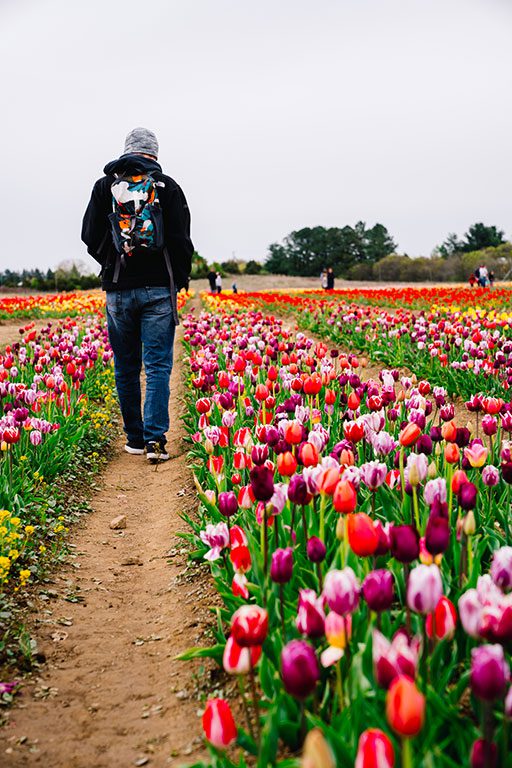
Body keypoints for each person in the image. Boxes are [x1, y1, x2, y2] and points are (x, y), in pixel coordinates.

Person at [81, 127, 193, 463]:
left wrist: (112, 262)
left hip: (118, 290)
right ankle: (155, 443)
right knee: (157, 366)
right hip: (159, 289)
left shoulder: (105, 187)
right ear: (155, 154)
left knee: (126, 366)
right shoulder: (168, 187)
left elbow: (88, 234)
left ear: (126, 150)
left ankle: (134, 438)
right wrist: (180, 279)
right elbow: (181, 240)